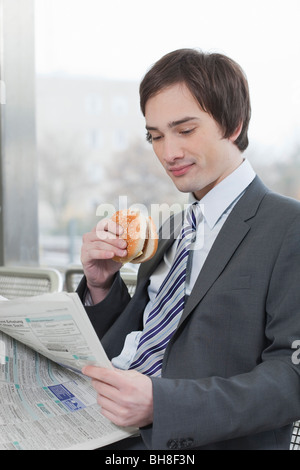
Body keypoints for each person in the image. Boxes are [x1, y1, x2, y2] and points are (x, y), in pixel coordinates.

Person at [78, 48, 300, 450]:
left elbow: (292, 378)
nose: (168, 153)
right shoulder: (173, 226)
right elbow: (135, 338)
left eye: (184, 130)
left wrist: (160, 405)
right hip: (103, 427)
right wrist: (100, 286)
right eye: (156, 136)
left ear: (233, 124)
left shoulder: (289, 227)